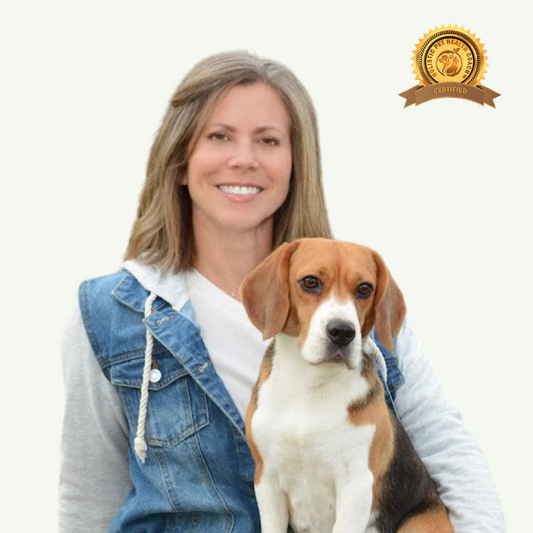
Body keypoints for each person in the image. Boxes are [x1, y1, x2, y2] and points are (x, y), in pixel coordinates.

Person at [59, 50, 505, 533]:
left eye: (268, 140)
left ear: (296, 165)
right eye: (219, 136)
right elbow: (88, 499)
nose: (244, 159)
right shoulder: (111, 314)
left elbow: (448, 451)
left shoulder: (359, 296)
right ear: (181, 162)